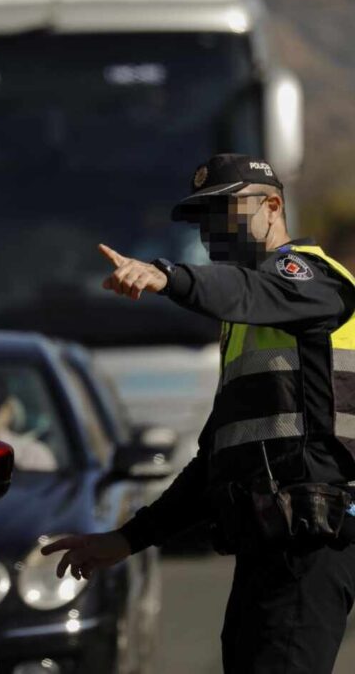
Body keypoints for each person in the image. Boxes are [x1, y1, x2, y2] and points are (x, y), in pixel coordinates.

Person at [42, 154, 355, 673]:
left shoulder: (309, 278)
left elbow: (249, 289)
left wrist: (167, 277)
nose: (213, 232)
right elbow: (213, 466)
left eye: (224, 213)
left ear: (273, 206)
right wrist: (125, 541)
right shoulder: (246, 328)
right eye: (203, 222)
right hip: (267, 547)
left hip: (312, 545)